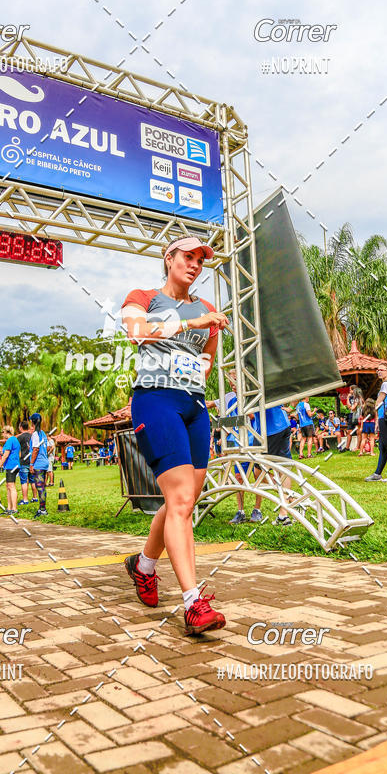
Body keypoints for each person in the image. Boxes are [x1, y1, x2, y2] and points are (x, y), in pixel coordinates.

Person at [121, 234, 229, 635]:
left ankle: (144, 565)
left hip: (193, 407)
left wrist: (195, 375)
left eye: (201, 260)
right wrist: (189, 322)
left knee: (184, 498)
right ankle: (193, 603)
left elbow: (207, 360)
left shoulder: (209, 310)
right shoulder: (145, 296)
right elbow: (135, 332)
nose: (195, 264)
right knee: (181, 499)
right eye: (188, 256)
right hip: (155, 400)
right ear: (169, 259)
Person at [216, 372, 263, 525]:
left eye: (235, 381)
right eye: (230, 384)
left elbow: (254, 418)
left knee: (257, 477)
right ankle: (240, 511)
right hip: (237, 444)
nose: (233, 386)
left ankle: (257, 509)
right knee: (239, 478)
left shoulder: (252, 398)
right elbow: (229, 423)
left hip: (252, 442)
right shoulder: (231, 402)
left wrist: (246, 411)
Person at [366, 364, 387, 482]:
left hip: (384, 417)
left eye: (382, 370)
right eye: (378, 370)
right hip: (385, 417)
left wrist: (377, 420)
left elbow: (378, 402)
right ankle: (377, 474)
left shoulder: (386, 384)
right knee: (382, 447)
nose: (378, 372)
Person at [0, 425, 20, 515]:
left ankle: (14, 508)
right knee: (8, 486)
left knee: (11, 486)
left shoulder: (10, 440)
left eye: (3, 433)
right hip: (14, 465)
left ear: (6, 432)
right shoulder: (15, 440)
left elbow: (6, 455)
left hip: (11, 465)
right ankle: (9, 508)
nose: (2, 435)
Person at [30, 413, 49, 517]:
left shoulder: (35, 434)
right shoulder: (43, 433)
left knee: (40, 487)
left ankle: (42, 510)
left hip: (39, 463)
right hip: (45, 462)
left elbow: (35, 449)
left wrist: (31, 464)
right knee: (42, 487)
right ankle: (42, 508)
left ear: (32, 422)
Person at [17, 420, 32, 505]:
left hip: (23, 461)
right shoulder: (32, 436)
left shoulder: (19, 438)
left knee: (24, 481)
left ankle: (25, 499)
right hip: (31, 461)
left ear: (21, 427)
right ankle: (35, 497)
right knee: (32, 481)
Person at [346, 386, 364, 451]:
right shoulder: (361, 399)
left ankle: (358, 447)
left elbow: (353, 408)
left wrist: (351, 407)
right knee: (359, 432)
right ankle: (358, 446)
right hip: (360, 416)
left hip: (357, 416)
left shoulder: (357, 399)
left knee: (358, 432)